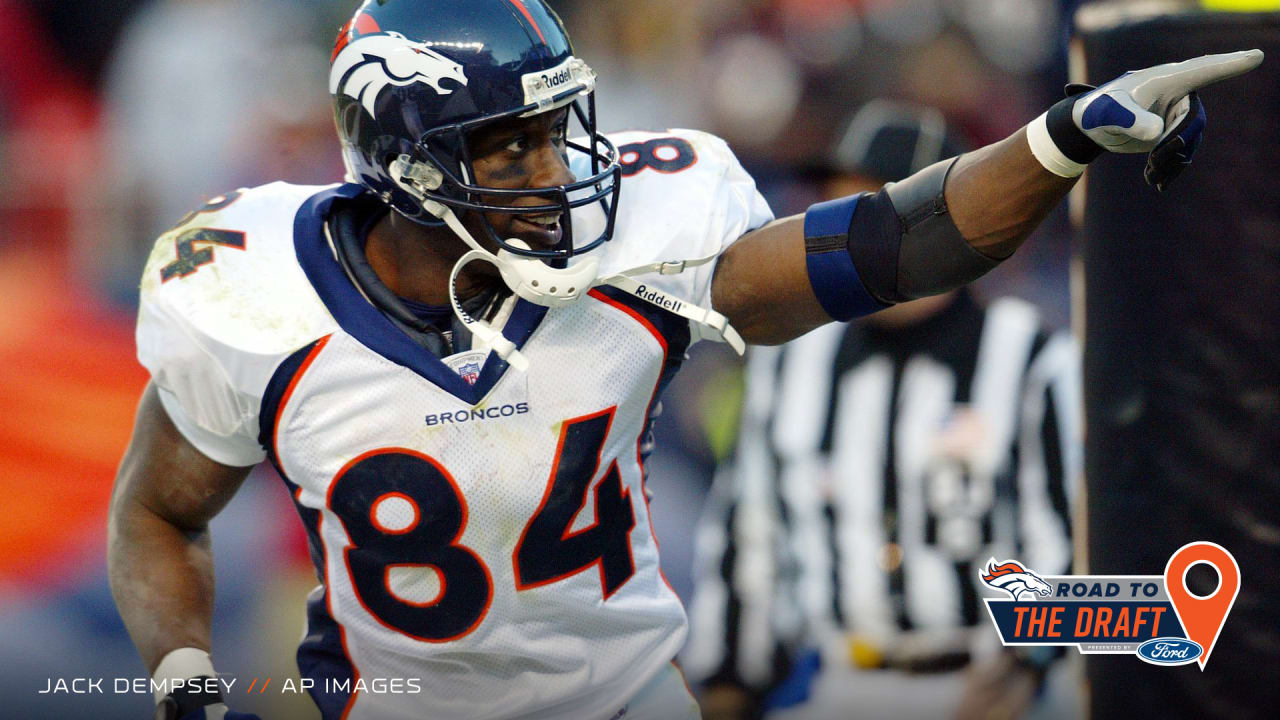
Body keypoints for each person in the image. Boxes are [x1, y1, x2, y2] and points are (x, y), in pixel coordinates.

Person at [105, 0, 1261, 717]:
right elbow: (158, 512)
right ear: (404, 168)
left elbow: (890, 245)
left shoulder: (639, 242)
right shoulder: (251, 292)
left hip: (626, 701)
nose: (554, 172)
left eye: (555, 131)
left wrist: (1057, 139)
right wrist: (183, 680)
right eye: (505, 148)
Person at [683, 100, 1080, 720]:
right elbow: (747, 545)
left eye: (871, 218)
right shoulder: (790, 360)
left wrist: (1023, 665)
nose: (846, 245)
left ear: (946, 227)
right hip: (841, 685)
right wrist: (728, 686)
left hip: (992, 687)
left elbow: (1071, 543)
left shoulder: (1030, 357)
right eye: (835, 218)